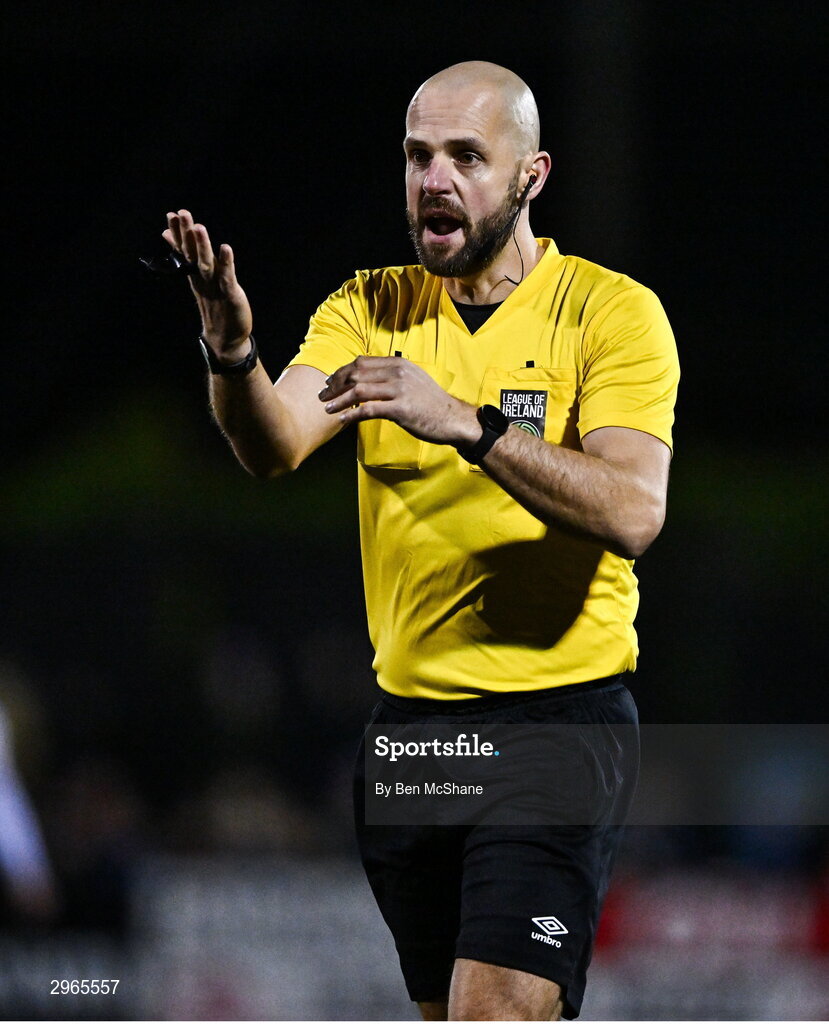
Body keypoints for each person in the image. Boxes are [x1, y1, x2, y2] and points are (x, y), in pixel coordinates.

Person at [159, 60, 679, 1021]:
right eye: (417, 156)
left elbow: (632, 512)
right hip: (409, 736)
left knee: (495, 1014)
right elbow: (273, 446)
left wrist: (470, 425)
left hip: (550, 727)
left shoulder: (610, 314)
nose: (433, 179)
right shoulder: (370, 306)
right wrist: (232, 354)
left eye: (465, 157)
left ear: (531, 175)